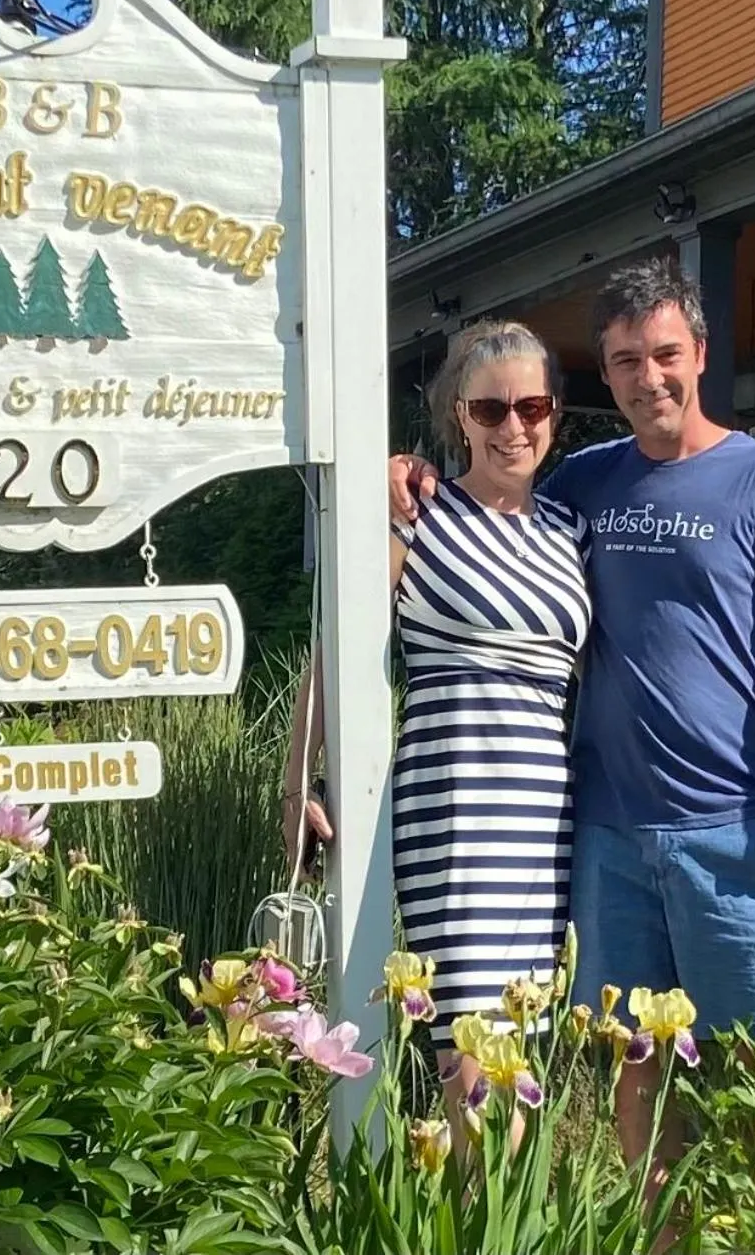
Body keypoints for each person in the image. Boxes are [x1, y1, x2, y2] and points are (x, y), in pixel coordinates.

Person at [389, 260, 755, 1165]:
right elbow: (492, 512)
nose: (649, 377)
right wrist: (401, 470)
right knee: (633, 1069)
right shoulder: (583, 487)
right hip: (603, 836)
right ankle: (658, 1233)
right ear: (604, 377)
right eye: (626, 360)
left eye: (665, 353)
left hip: (735, 826)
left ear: (700, 354)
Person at [283, 319, 589, 1130]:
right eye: (489, 410)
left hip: (544, 823)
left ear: (553, 412)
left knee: (519, 1059)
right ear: (459, 415)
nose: (512, 427)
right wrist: (296, 781)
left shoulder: (569, 533)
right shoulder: (416, 513)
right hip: (451, 810)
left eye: (530, 406)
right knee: (472, 1067)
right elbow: (337, 651)